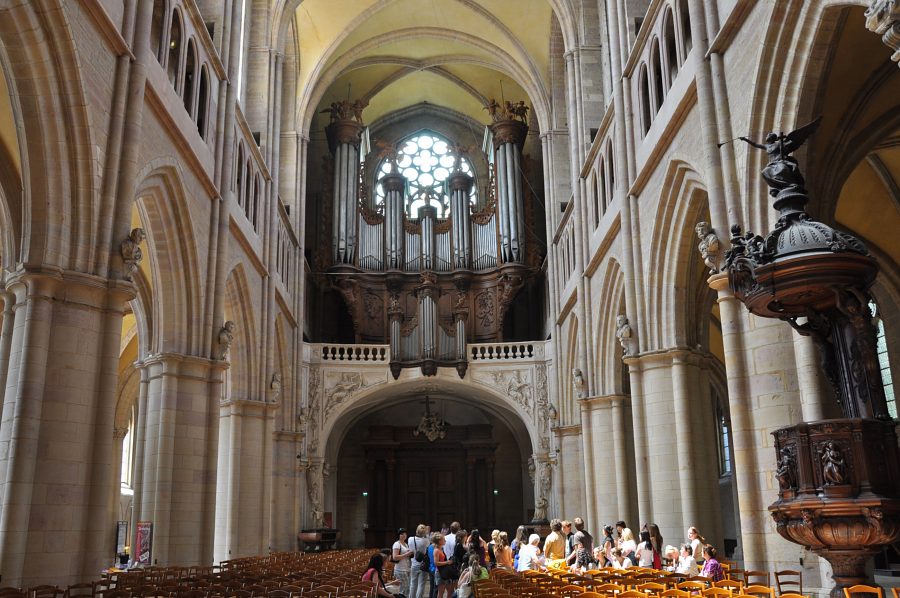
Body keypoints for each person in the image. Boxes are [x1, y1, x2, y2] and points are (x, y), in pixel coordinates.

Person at [408, 524, 430, 598]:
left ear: (416, 531)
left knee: (413, 583)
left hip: (413, 564)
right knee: (421, 584)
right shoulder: (426, 541)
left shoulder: (410, 539)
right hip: (423, 564)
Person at [431, 533, 455, 598]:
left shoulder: (441, 549)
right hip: (439, 572)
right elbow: (436, 563)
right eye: (443, 540)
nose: (445, 541)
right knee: (441, 592)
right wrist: (447, 562)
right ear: (439, 541)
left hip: (444, 572)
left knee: (450, 591)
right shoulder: (436, 550)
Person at [392, 528, 414, 595]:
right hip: (400, 569)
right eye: (402, 534)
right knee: (404, 589)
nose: (404, 535)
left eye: (405, 534)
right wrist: (406, 554)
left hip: (406, 569)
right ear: (399, 535)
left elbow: (405, 556)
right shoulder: (397, 544)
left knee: (406, 589)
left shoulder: (405, 544)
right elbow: (395, 557)